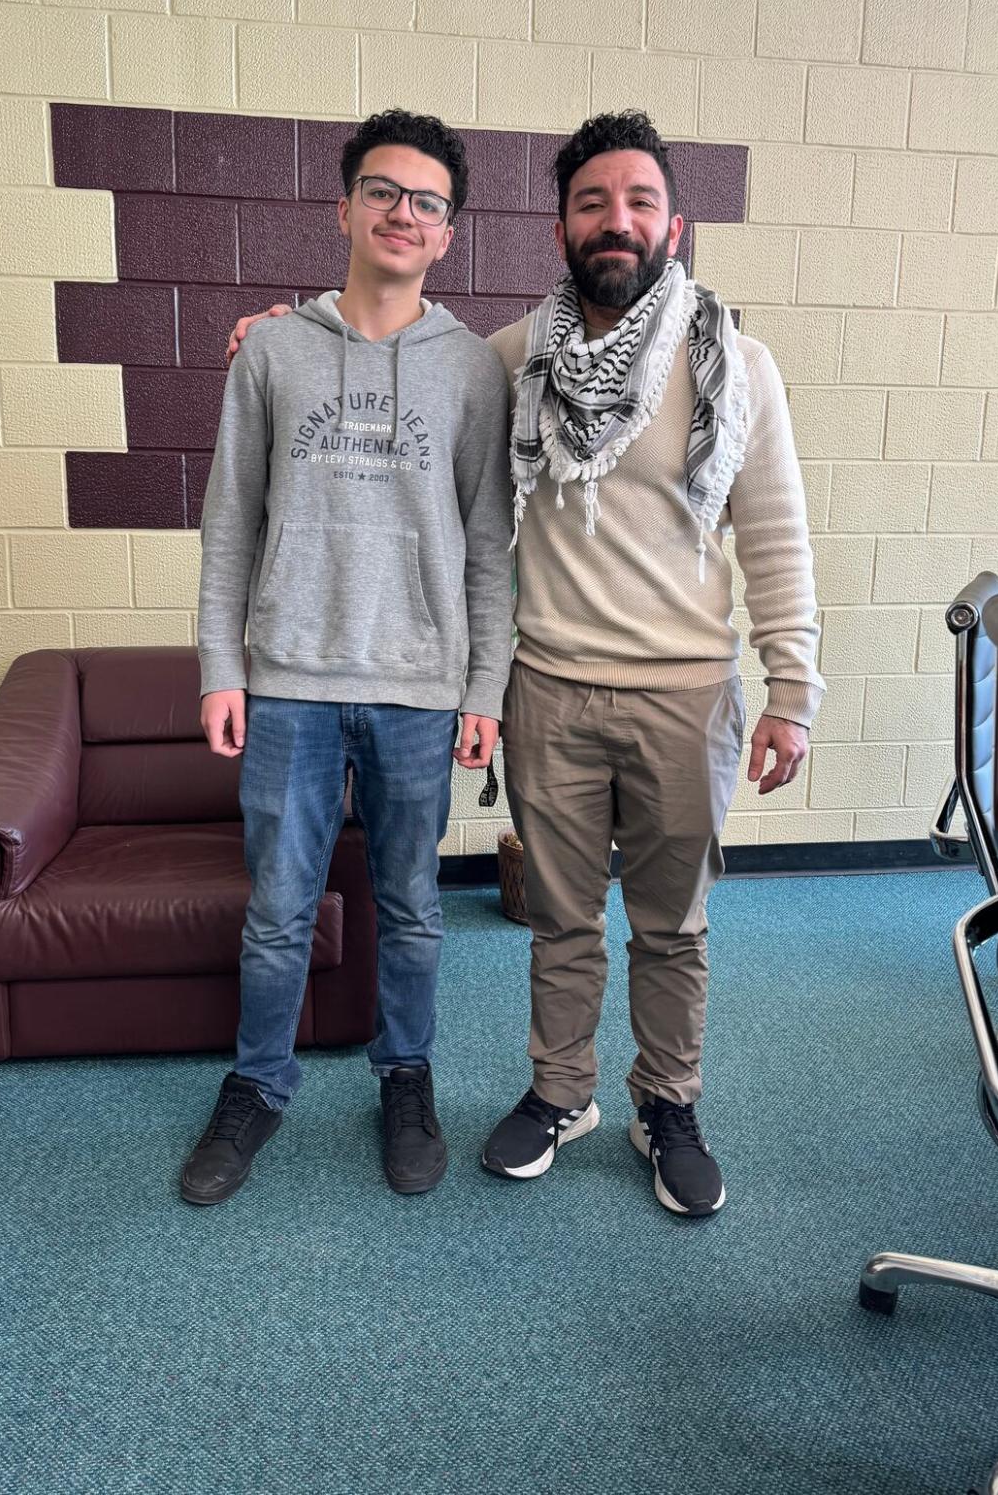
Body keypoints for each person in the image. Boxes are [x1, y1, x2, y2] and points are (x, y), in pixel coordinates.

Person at [228, 110, 823, 1220]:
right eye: (594, 203)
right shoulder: (511, 360)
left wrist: (793, 687)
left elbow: (777, 532)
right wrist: (283, 334)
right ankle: (561, 1093)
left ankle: (668, 1102)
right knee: (558, 920)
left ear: (674, 224)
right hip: (549, 686)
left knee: (672, 925)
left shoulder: (736, 365)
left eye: (640, 202)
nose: (618, 221)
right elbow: (389, 351)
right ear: (560, 230)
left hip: (688, 693)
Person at [184, 109, 512, 1207]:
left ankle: (405, 1078)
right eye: (384, 191)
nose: (404, 214)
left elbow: (489, 542)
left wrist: (485, 689)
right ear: (345, 208)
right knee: (278, 908)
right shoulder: (272, 349)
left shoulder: (471, 369)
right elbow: (230, 521)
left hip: (420, 691)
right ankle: (257, 1086)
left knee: (414, 907)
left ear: (448, 231)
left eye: (427, 201)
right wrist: (220, 669)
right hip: (288, 683)